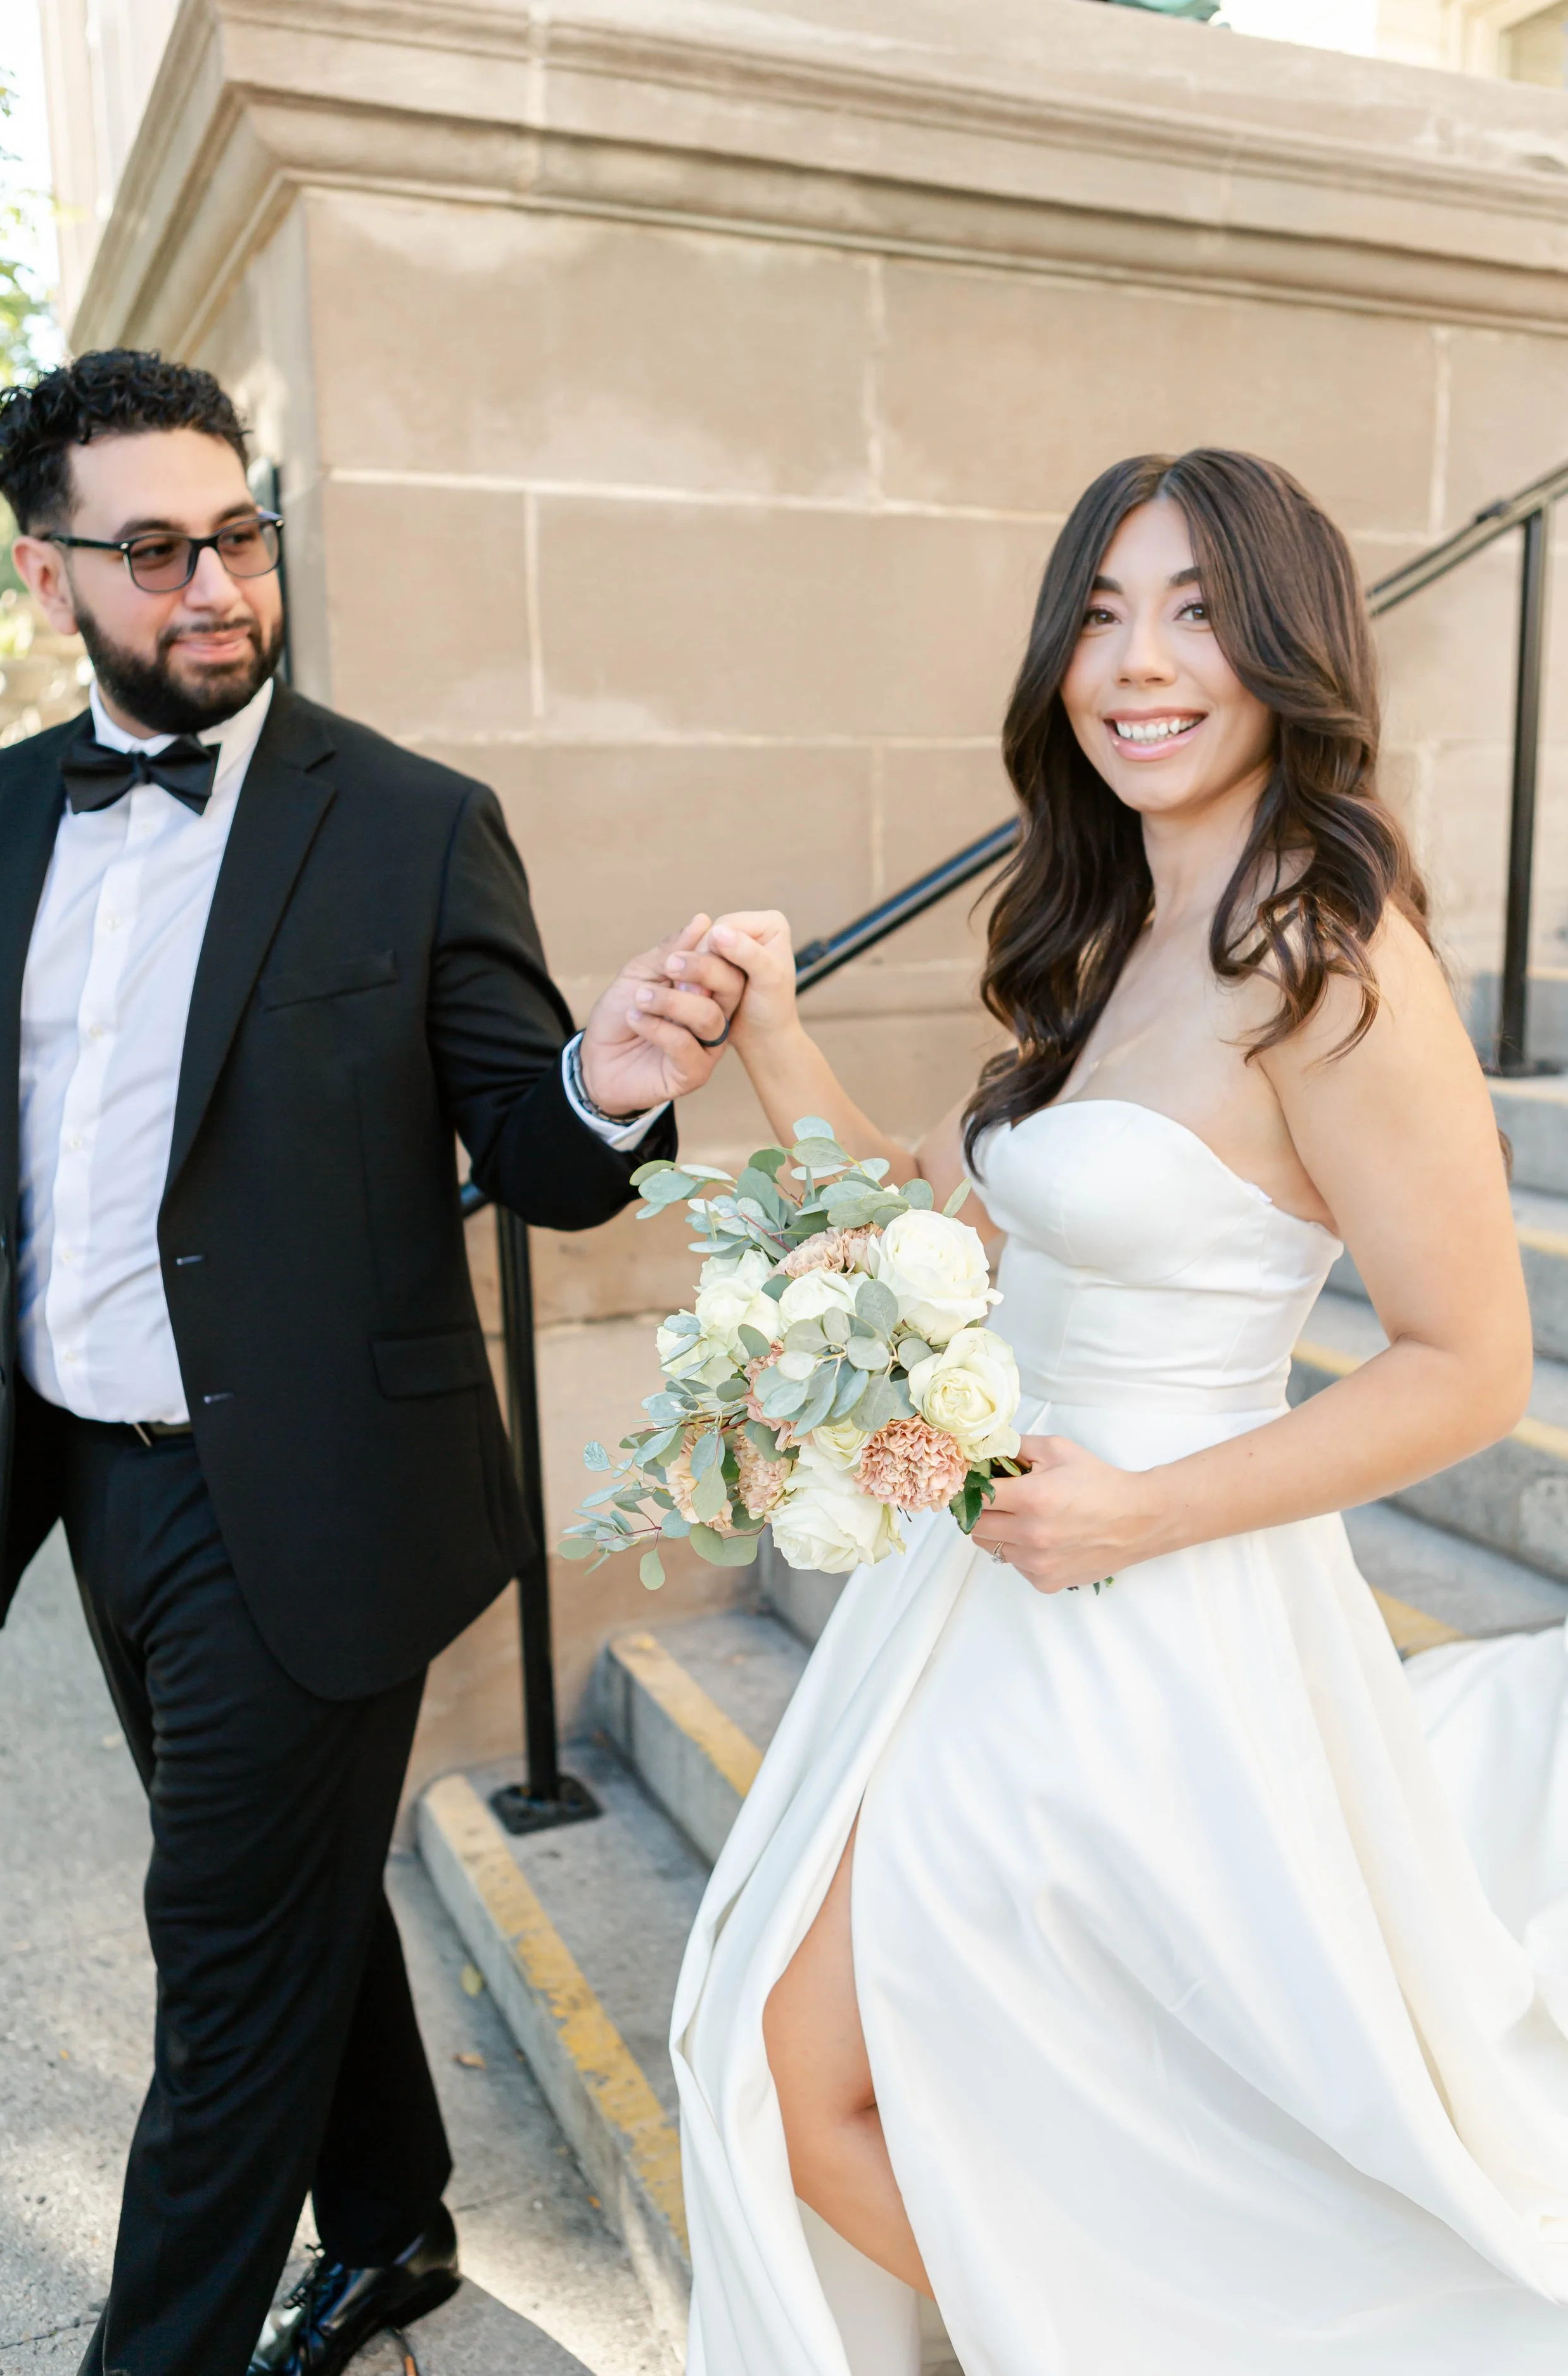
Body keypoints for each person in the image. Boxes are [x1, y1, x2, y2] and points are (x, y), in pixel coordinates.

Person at [668, 450, 1568, 2373]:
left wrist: (1141, 1515)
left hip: (1156, 1608)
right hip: (979, 1601)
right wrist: (768, 1035)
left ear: (1284, 652)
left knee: (817, 2071)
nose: (1136, 660)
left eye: (1190, 610)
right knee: (834, 2073)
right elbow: (917, 1237)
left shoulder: (1331, 961)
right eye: (1098, 610)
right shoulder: (1101, 945)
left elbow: (1468, 1362)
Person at [0, 348, 743, 2376]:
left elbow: (535, 1148)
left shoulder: (408, 823)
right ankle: (396, 2225)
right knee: (282, 1886)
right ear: (51, 572)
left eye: (238, 532)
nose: (217, 583)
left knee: (219, 1962)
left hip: (313, 1493)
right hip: (96, 1478)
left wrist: (612, 1074)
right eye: (153, 549)